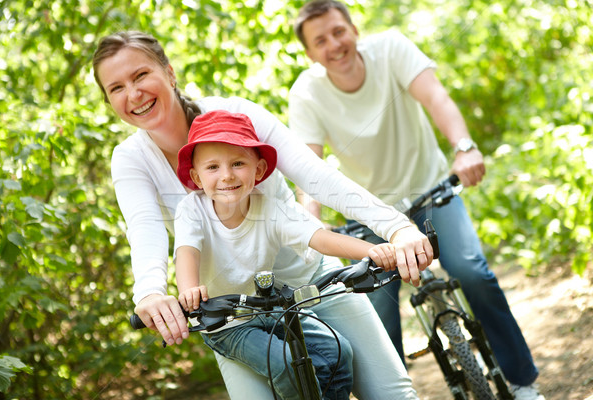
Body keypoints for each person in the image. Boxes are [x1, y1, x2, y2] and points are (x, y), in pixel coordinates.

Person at [92, 30, 428, 399]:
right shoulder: (130, 158)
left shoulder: (236, 114)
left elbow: (315, 175)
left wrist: (397, 229)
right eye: (116, 88)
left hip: (309, 277)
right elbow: (145, 229)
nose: (133, 93)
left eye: (140, 75)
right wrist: (151, 293)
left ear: (170, 73)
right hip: (233, 313)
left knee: (392, 393)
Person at [288, 1, 544, 399]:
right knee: (377, 314)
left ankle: (522, 381)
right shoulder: (307, 92)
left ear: (354, 28)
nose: (333, 44)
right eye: (320, 40)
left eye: (339, 31)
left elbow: (436, 98)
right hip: (374, 216)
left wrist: (464, 147)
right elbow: (309, 168)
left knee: (472, 270)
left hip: (430, 192)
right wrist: (311, 221)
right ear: (309, 53)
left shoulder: (390, 48)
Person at [174, 110, 407, 398]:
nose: (226, 175)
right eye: (212, 168)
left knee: (338, 352)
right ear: (196, 177)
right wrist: (188, 289)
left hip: (271, 309)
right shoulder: (191, 210)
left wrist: (372, 251)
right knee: (284, 363)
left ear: (258, 170)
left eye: (237, 163)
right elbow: (187, 251)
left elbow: (319, 238)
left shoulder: (270, 209)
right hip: (228, 323)